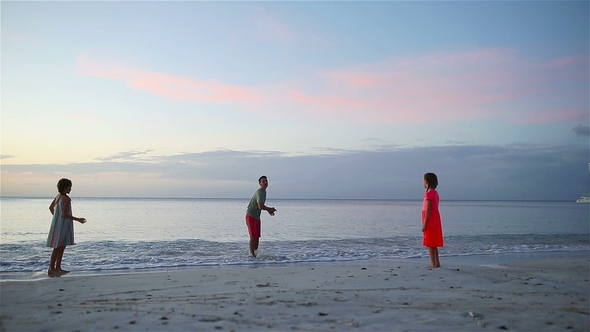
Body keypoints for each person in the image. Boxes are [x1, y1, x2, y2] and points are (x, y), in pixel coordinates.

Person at [46, 178, 86, 275]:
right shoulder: (66, 199)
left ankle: (57, 267)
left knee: (61, 246)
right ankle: (52, 268)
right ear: (65, 187)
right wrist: (78, 219)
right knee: (58, 246)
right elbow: (65, 214)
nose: (70, 189)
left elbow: (51, 208)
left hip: (58, 224)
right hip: (64, 225)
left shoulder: (58, 196)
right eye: (69, 187)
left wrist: (56, 218)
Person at [245, 175, 276, 257]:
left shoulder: (264, 192)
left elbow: (261, 205)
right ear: (260, 183)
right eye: (263, 181)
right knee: (253, 236)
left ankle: (255, 254)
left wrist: (269, 211)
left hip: (257, 217)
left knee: (257, 236)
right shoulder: (259, 192)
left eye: (266, 181)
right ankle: (252, 256)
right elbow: (260, 206)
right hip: (250, 216)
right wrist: (270, 209)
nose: (265, 182)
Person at [421, 172, 443, 268]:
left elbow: (428, 209)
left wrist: (425, 224)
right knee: (434, 242)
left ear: (427, 181)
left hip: (430, 219)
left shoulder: (429, 194)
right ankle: (436, 262)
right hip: (435, 219)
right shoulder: (435, 193)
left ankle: (433, 263)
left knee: (430, 242)